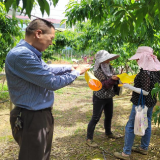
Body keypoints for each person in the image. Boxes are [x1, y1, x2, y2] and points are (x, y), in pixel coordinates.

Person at [5, 18, 90, 160]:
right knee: (33, 156)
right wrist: (76, 72)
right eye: (51, 38)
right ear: (38, 33)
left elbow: (46, 69)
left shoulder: (31, 53)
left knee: (42, 154)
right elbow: (52, 82)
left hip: (38, 114)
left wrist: (69, 67)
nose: (51, 42)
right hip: (31, 116)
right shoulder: (22, 55)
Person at [114, 46, 160, 160]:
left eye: (138, 58)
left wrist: (129, 87)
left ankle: (126, 153)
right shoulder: (156, 70)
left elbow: (145, 91)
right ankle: (144, 148)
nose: (136, 60)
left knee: (130, 125)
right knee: (147, 123)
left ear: (143, 58)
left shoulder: (145, 72)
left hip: (142, 102)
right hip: (151, 102)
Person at [86, 50, 121, 147]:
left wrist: (119, 78)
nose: (109, 60)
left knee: (109, 115)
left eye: (109, 59)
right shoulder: (97, 71)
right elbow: (104, 85)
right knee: (96, 117)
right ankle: (89, 138)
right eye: (107, 59)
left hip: (109, 96)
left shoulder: (110, 68)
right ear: (101, 61)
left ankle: (108, 132)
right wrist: (112, 79)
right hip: (100, 97)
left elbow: (114, 79)